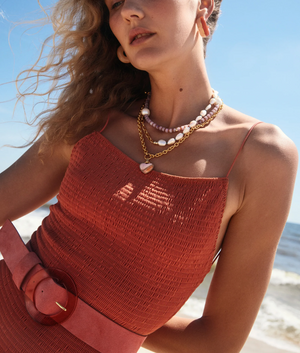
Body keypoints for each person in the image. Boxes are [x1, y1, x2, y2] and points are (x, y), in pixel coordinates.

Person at [0, 0, 298, 352]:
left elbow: (219, 341)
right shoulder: (93, 117)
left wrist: (96, 316)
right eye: (114, 3)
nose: (128, 11)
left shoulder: (262, 156)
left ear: (204, 4)